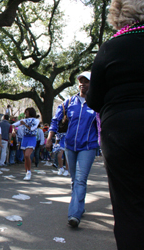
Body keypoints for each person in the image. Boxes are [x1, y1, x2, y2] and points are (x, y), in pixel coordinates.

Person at [86, 0, 144, 248]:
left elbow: (94, 100)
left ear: (118, 14)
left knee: (129, 210)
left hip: (122, 134)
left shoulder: (111, 48)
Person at [46, 71, 99, 228]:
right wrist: (49, 138)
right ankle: (80, 207)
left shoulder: (97, 104)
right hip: (70, 146)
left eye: (86, 81)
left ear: (92, 84)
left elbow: (103, 125)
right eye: (81, 81)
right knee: (74, 180)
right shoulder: (69, 103)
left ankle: (74, 214)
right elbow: (55, 121)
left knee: (80, 180)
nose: (83, 84)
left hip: (88, 146)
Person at [13, 108, 40, 181]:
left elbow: (32, 129)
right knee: (25, 157)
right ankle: (27, 172)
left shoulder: (36, 120)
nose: (25, 113)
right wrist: (13, 129)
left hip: (32, 138)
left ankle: (29, 171)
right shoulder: (24, 120)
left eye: (26, 112)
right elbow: (14, 125)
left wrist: (24, 124)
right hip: (25, 138)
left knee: (27, 155)